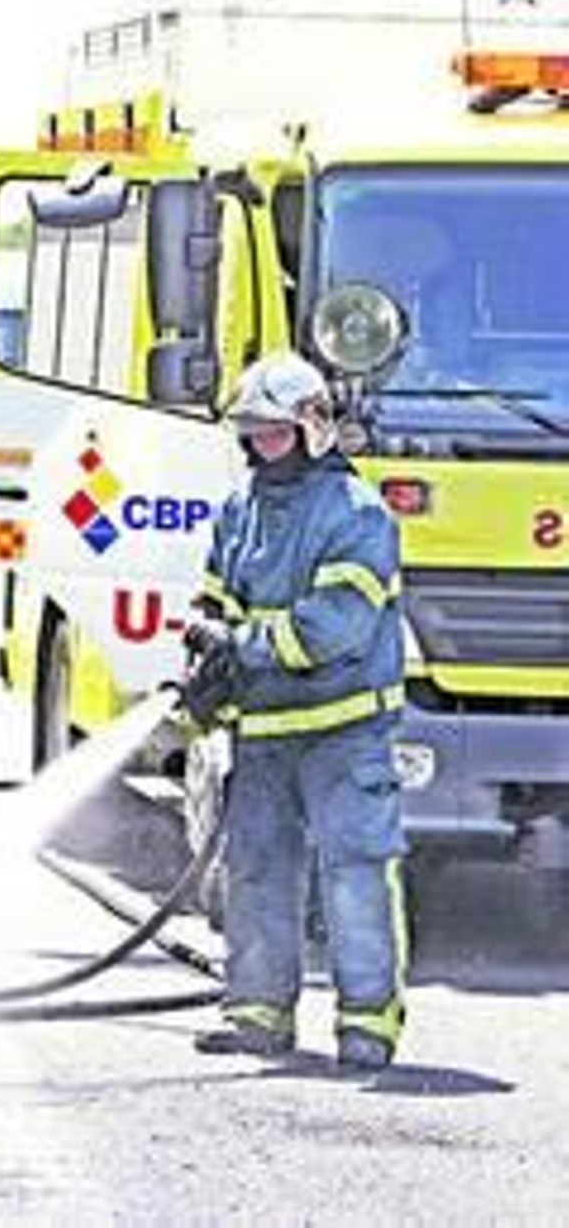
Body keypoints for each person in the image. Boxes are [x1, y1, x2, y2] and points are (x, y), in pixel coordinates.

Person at [181, 350, 409, 1072]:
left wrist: (239, 646)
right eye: (251, 433)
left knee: (356, 871)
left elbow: (331, 629)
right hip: (266, 735)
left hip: (344, 731)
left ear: (313, 430)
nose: (260, 447)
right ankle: (257, 1013)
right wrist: (206, 664)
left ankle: (368, 1022)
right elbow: (215, 599)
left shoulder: (357, 515)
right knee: (255, 870)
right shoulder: (241, 510)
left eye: (274, 433)